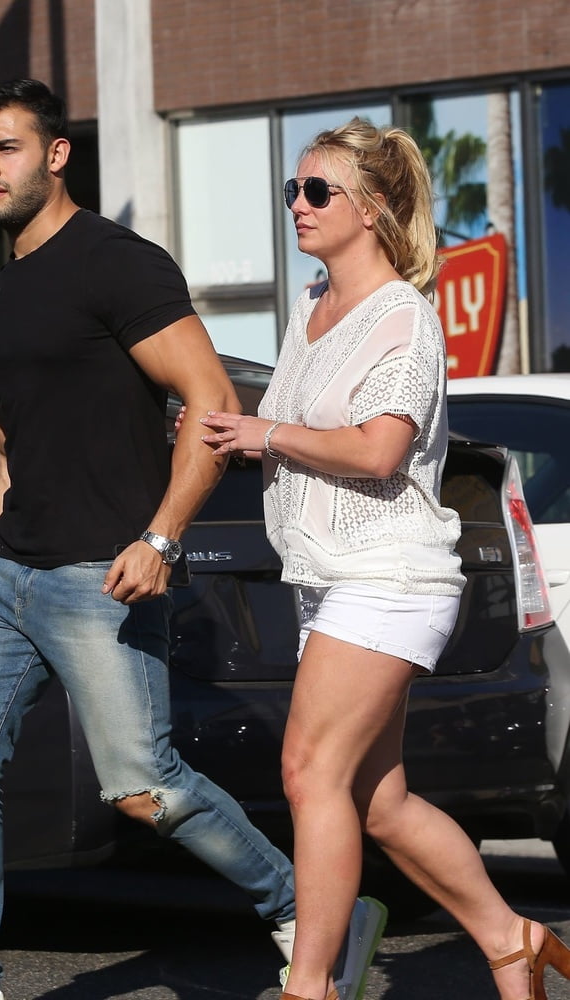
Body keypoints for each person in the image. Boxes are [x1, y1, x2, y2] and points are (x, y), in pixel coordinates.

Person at [0, 81, 384, 1000]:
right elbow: (7, 437)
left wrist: (159, 541)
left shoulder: (117, 263)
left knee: (143, 786)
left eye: (7, 148)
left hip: (104, 572)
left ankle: (310, 910)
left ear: (56, 155)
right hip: (6, 573)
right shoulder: (3, 291)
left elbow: (211, 399)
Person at [196, 117, 570, 1000]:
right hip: (328, 579)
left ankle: (311, 986)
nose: (296, 204)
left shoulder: (403, 316)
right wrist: (228, 427)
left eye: (315, 190)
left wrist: (264, 433)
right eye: (291, 189)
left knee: (308, 772)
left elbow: (376, 450)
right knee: (377, 800)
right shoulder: (311, 308)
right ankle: (510, 939)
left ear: (369, 209)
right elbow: (293, 427)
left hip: (388, 573)